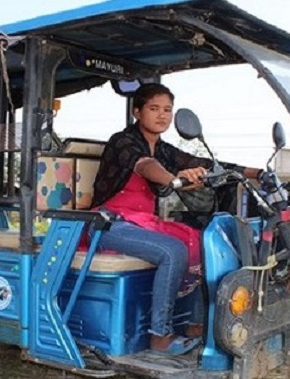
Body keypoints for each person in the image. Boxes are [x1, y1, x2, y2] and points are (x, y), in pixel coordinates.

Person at [90, 83, 262, 355]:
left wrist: (257, 172)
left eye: (167, 110)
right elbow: (144, 165)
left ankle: (193, 323)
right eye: (154, 108)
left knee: (203, 242)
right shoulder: (122, 141)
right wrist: (172, 179)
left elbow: (205, 163)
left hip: (142, 222)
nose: (162, 115)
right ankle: (160, 336)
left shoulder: (165, 149)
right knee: (172, 251)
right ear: (138, 112)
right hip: (108, 223)